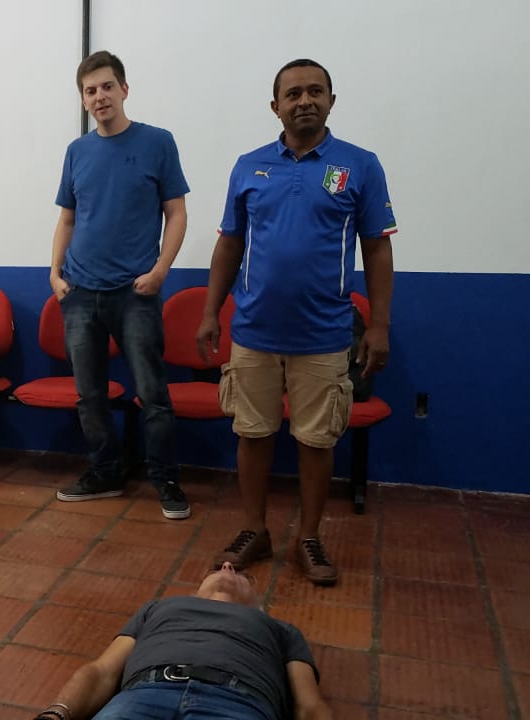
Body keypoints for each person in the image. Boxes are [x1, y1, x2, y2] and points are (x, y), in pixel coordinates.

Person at [196, 59, 396, 587]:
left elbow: (377, 248)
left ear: (331, 100)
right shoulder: (249, 166)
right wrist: (211, 312)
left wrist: (379, 325)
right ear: (275, 106)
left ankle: (309, 536)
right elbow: (229, 243)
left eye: (315, 91)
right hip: (253, 331)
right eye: (293, 94)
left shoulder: (360, 165)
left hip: (324, 334)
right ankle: (254, 529)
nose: (304, 100)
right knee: (252, 433)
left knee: (316, 440)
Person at [49, 51, 191, 521]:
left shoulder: (157, 143)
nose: (100, 96)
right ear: (83, 99)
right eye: (90, 91)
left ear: (124, 89)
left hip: (135, 292)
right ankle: (106, 472)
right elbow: (67, 219)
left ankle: (165, 478)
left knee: (153, 394)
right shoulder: (77, 152)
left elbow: (176, 213)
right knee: (89, 396)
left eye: (107, 86)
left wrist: (161, 270)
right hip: (79, 292)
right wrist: (55, 273)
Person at [33, 559, 329, 720]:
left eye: (241, 573)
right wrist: (55, 714)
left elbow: (309, 705)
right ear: (195, 591)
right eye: (217, 567)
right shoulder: (158, 608)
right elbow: (102, 672)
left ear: (257, 603)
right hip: (143, 695)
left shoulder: (280, 629)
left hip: (237, 703)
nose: (227, 565)